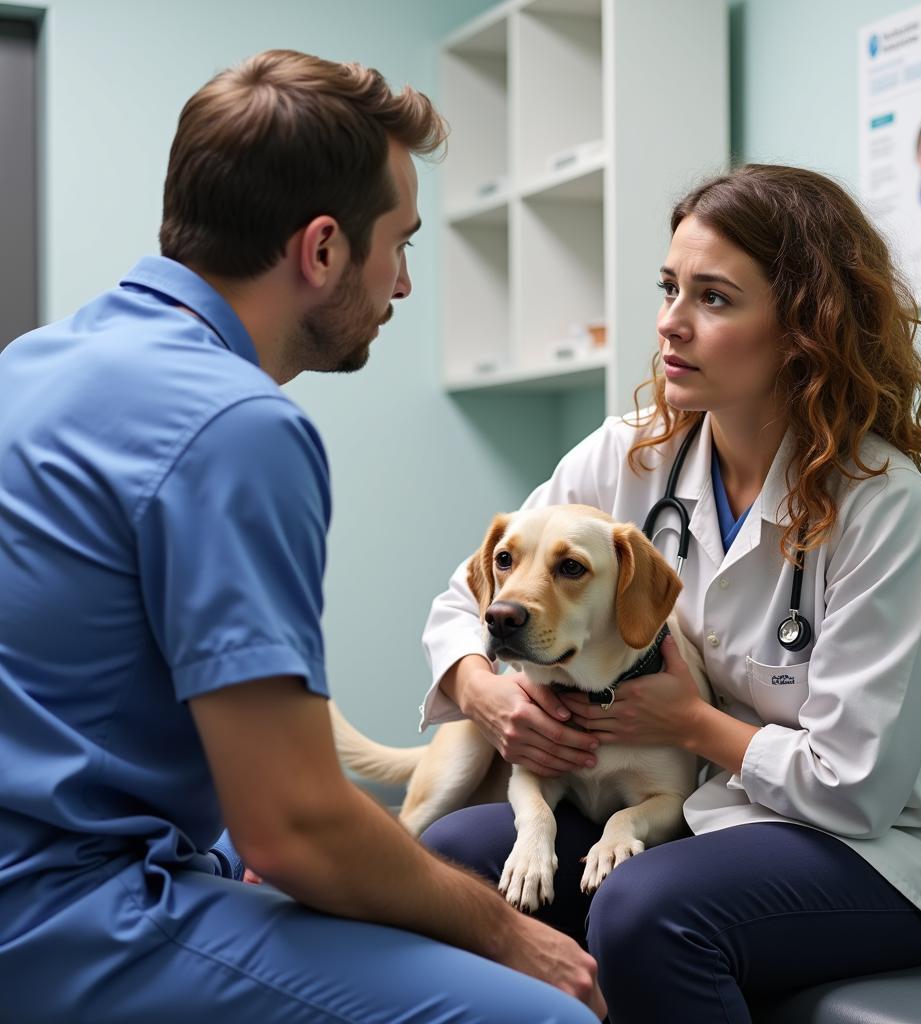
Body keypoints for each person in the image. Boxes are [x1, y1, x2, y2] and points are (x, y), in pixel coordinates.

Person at [0, 50, 603, 1024]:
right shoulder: (236, 425)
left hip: (61, 871)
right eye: (399, 244)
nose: (403, 284)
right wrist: (507, 933)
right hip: (65, 914)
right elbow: (292, 831)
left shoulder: (33, 364)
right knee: (550, 1011)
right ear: (321, 249)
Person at [417, 164, 921, 1023]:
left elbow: (855, 789)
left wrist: (689, 722)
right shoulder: (631, 455)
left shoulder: (886, 511)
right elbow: (463, 604)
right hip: (699, 804)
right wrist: (486, 692)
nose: (669, 323)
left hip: (886, 848)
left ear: (807, 329)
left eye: (715, 298)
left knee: (649, 912)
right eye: (669, 288)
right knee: (460, 853)